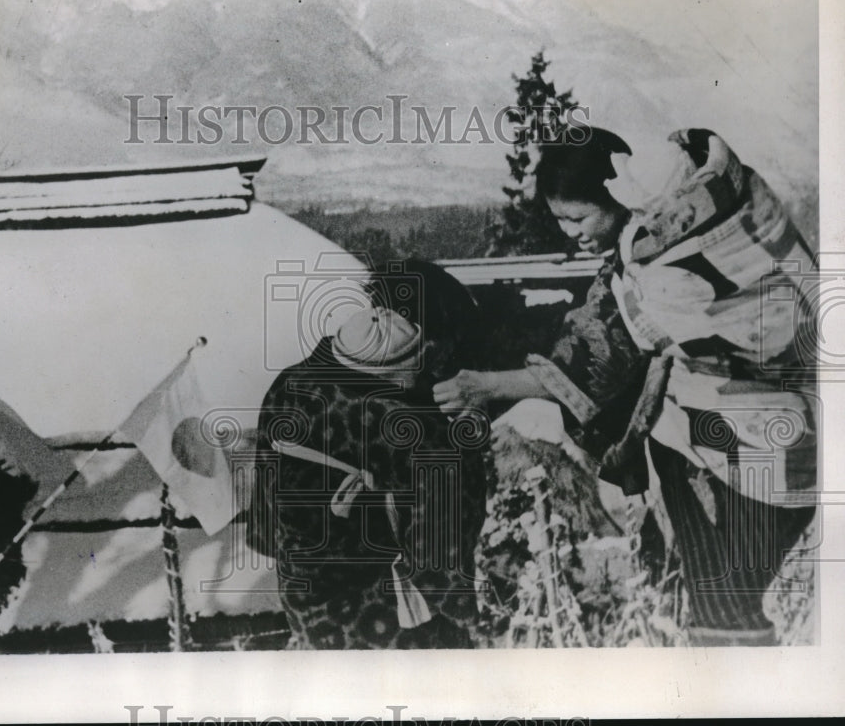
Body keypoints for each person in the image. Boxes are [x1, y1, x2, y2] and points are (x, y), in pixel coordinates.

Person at [433, 127, 818, 646]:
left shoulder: (659, 266)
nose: (569, 232)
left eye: (577, 217)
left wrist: (487, 385)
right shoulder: (691, 226)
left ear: (615, 196)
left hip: (739, 451)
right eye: (560, 220)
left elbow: (595, 359)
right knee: (727, 599)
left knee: (726, 602)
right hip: (791, 431)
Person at [247, 260, 487, 649]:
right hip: (398, 627)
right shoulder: (419, 425)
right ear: (424, 341)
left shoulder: (288, 386)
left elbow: (263, 529)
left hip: (309, 614)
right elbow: (442, 560)